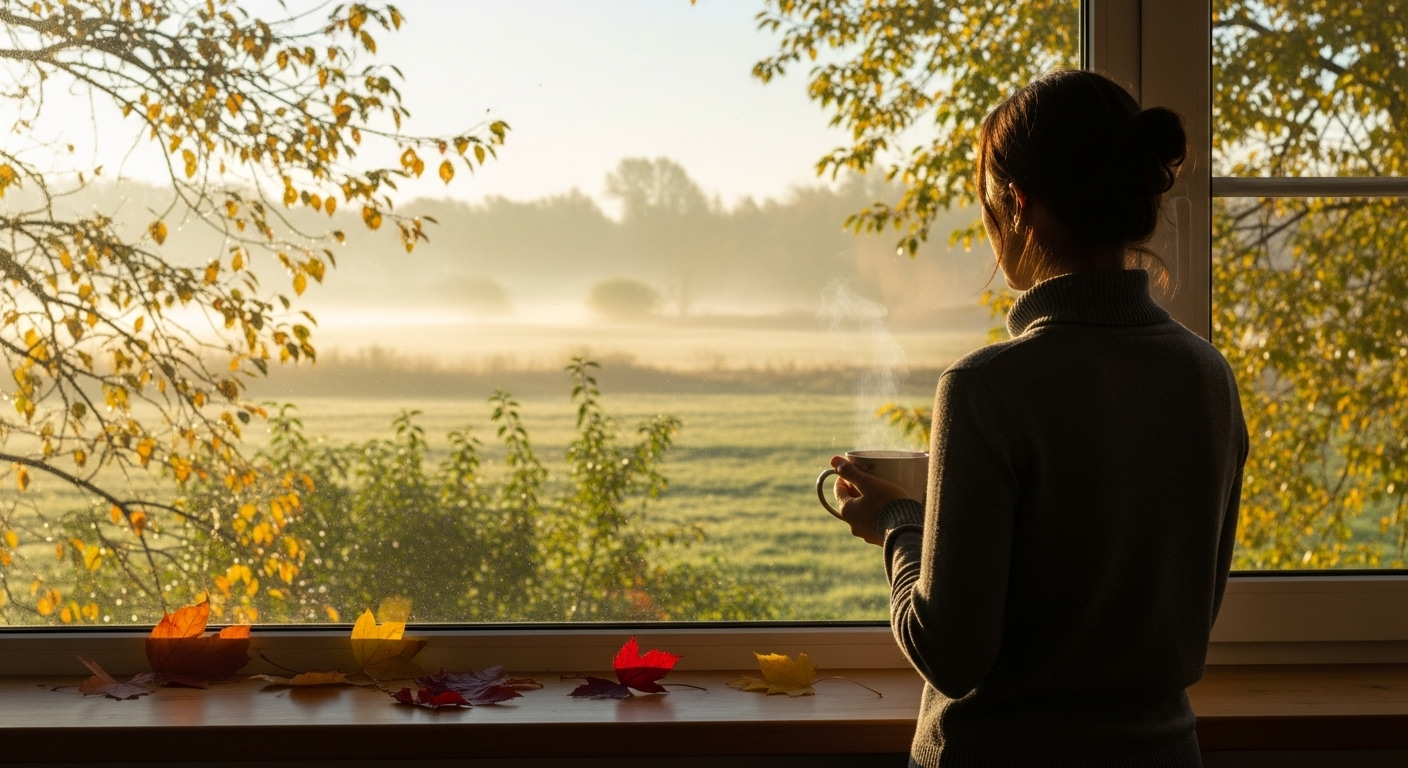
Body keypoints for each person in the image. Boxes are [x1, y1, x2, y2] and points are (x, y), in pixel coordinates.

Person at [829, 70, 1248, 768]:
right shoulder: (1208, 377)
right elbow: (1182, 615)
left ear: (1018, 203)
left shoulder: (986, 389)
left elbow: (951, 656)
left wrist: (898, 525)